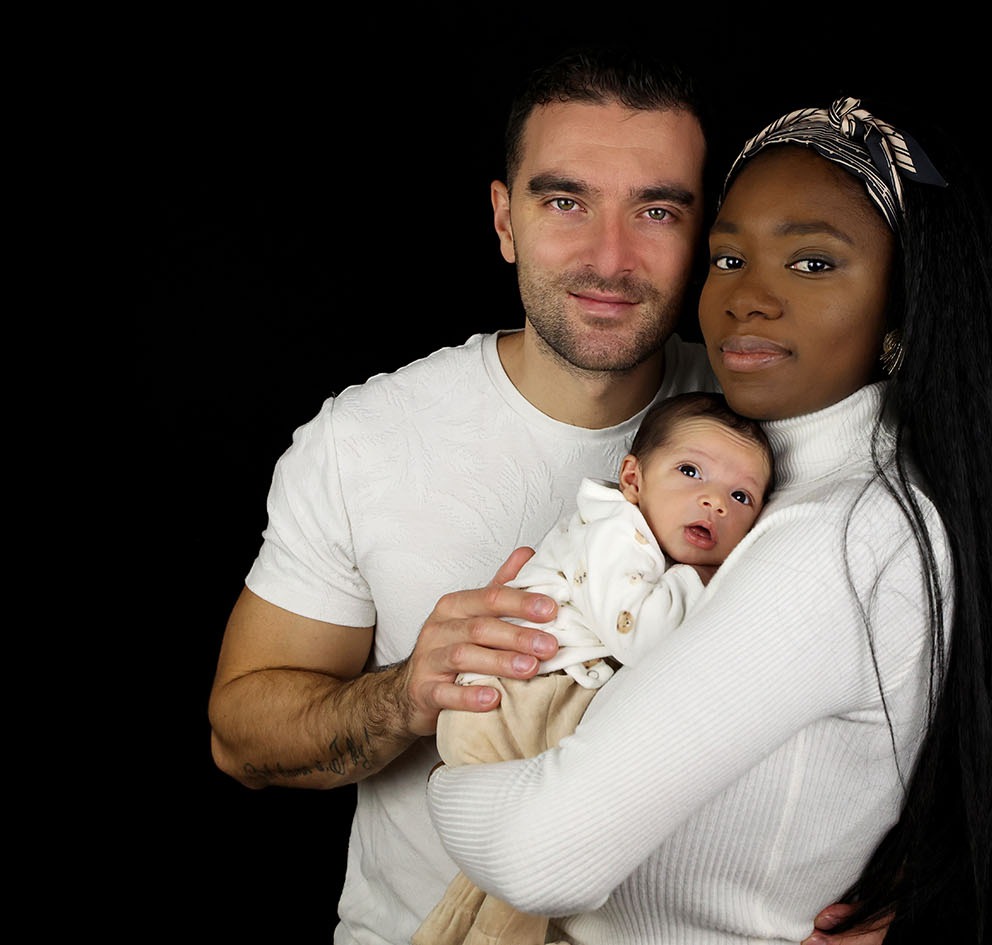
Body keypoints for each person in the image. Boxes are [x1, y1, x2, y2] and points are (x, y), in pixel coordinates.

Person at [208, 48, 884, 945]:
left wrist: (906, 889)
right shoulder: (363, 439)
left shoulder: (773, 430)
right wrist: (405, 694)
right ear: (505, 219)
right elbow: (239, 737)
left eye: (656, 211)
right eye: (565, 202)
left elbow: (915, 676)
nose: (610, 257)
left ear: (702, 235)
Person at [425, 96, 992, 944]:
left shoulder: (835, 538)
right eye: (728, 258)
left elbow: (542, 854)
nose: (747, 297)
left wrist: (451, 772)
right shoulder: (789, 487)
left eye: (812, 263)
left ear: (902, 307)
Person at [417, 391, 773, 945]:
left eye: (741, 496)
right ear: (633, 479)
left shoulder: (635, 537)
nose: (714, 502)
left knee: (497, 879)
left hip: (530, 697)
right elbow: (643, 638)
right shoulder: (618, 533)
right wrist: (703, 580)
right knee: (544, 858)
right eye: (690, 472)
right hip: (516, 701)